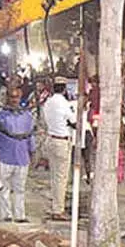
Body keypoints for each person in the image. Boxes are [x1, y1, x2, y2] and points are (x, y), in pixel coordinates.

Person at [0, 87, 35, 223]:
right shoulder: (1, 115)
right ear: (7, 98)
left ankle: (20, 215)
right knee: (4, 188)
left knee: (20, 189)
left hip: (22, 157)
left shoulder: (27, 116)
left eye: (16, 97)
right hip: (5, 156)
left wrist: (32, 152)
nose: (14, 100)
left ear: (20, 98)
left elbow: (30, 136)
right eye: (11, 97)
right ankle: (6, 215)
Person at [42, 81, 76, 219]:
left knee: (54, 176)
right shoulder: (64, 103)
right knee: (61, 178)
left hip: (51, 139)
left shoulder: (48, 102)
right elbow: (74, 122)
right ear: (64, 90)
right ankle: (58, 210)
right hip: (62, 141)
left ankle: (55, 206)